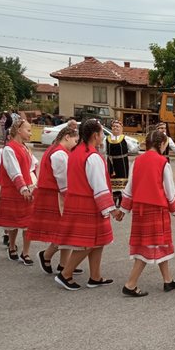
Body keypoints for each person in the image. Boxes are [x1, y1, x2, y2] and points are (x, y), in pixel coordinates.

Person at [53, 119, 123, 291]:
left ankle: (95, 276)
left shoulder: (76, 152)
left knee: (99, 241)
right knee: (88, 242)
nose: (102, 137)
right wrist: (112, 210)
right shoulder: (92, 157)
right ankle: (66, 274)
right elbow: (99, 185)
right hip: (89, 204)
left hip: (78, 201)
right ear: (95, 135)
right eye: (101, 134)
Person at [120, 130, 175, 297]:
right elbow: (170, 190)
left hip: (140, 209)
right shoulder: (163, 162)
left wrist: (123, 210)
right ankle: (130, 284)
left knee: (160, 243)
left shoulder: (138, 161)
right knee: (149, 246)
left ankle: (167, 280)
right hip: (156, 209)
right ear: (161, 144)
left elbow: (130, 187)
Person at [27, 127, 83, 274]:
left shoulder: (55, 150)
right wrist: (70, 197)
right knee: (64, 231)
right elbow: (63, 178)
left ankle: (64, 263)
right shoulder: (59, 153)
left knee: (66, 230)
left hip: (53, 194)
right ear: (67, 137)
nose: (75, 144)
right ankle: (46, 255)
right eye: (75, 140)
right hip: (55, 195)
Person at [0, 119, 35, 265]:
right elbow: (14, 171)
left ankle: (26, 253)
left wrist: (34, 184)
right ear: (19, 130)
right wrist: (23, 187)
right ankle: (12, 246)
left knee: (28, 222)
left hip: (27, 189)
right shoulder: (9, 149)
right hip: (14, 190)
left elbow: (32, 167)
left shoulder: (25, 148)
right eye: (28, 130)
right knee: (14, 223)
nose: (30, 133)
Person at [105, 120, 130, 207]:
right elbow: (103, 150)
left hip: (122, 162)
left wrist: (140, 147)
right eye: (114, 126)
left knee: (122, 178)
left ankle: (121, 198)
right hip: (111, 162)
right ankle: (114, 197)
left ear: (121, 128)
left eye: (117, 126)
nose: (115, 128)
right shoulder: (107, 139)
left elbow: (133, 148)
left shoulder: (125, 138)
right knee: (112, 178)